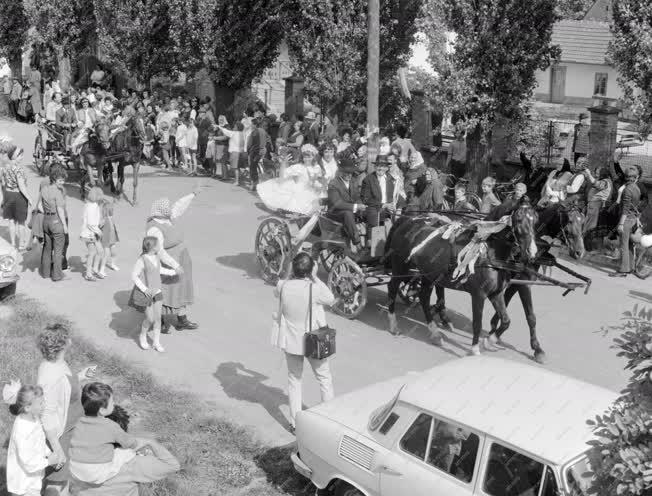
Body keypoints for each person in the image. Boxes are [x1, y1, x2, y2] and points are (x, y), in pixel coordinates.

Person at [273, 253, 335, 432]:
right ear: (310, 269)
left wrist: (288, 274)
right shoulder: (313, 288)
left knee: (294, 380)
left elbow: (278, 287)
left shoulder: (283, 286)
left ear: (293, 268)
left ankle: (294, 422)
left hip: (291, 342)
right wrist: (315, 277)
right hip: (314, 340)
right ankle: (329, 417)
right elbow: (330, 299)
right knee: (324, 378)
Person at [37, 323, 97, 496]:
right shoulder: (50, 375)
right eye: (68, 337)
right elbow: (46, 415)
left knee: (65, 477)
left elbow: (64, 389)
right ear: (64, 343)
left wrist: (80, 376)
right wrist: (57, 449)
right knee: (57, 481)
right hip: (61, 435)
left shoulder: (57, 362)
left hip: (71, 428)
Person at [146, 190, 201, 332]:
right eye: (167, 209)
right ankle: (163, 322)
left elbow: (179, 206)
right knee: (166, 291)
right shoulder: (154, 228)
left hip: (182, 257)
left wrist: (193, 194)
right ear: (160, 211)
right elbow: (159, 251)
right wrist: (174, 265)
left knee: (182, 289)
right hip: (168, 262)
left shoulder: (166, 217)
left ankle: (182, 320)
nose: (170, 211)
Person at [69, 383, 141, 485]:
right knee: (127, 452)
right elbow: (130, 443)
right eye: (112, 402)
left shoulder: (77, 420)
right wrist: (135, 444)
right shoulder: (111, 426)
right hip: (96, 474)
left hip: (74, 469)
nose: (114, 403)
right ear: (102, 410)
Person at [129, 236, 182, 351]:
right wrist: (144, 289)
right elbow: (134, 275)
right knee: (150, 319)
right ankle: (142, 336)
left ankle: (156, 342)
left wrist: (173, 272)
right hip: (147, 294)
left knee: (158, 318)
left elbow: (159, 270)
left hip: (157, 291)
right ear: (152, 247)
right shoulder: (142, 259)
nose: (160, 246)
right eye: (158, 245)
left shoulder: (157, 257)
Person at [4, 383, 57, 496]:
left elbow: (40, 440)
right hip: (24, 481)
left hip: (33, 475)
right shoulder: (22, 431)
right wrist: (48, 461)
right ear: (28, 407)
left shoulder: (34, 418)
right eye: (41, 403)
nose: (44, 405)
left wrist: (48, 453)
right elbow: (28, 463)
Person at [327, 154, 366, 253]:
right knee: (347, 213)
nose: (349, 175)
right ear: (340, 172)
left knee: (371, 211)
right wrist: (356, 206)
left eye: (351, 173)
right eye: (346, 173)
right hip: (335, 213)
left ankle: (371, 244)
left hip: (349, 211)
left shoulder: (353, 181)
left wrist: (361, 207)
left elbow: (357, 197)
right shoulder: (333, 183)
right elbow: (337, 204)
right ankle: (357, 244)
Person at [38, 166, 69, 281]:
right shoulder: (58, 192)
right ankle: (57, 275)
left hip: (46, 220)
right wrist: (65, 226)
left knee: (47, 248)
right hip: (56, 220)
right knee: (58, 250)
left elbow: (40, 207)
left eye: (63, 180)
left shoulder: (44, 189)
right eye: (60, 180)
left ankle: (45, 273)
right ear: (54, 179)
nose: (63, 182)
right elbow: (60, 210)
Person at [610, 167, 641, 278]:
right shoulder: (636, 188)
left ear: (626, 177)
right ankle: (630, 267)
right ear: (636, 177)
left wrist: (621, 224)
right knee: (629, 244)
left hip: (626, 220)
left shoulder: (627, 189)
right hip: (633, 219)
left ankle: (623, 270)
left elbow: (625, 208)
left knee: (623, 245)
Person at [361, 157, 395, 228]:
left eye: (383, 166)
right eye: (378, 166)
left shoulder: (390, 178)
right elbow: (366, 199)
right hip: (373, 208)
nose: (380, 168)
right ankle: (371, 237)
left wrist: (394, 205)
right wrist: (383, 205)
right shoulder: (368, 179)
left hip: (388, 208)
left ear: (387, 168)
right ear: (375, 167)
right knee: (375, 227)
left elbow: (394, 194)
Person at [80, 187, 104, 282]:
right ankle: (88, 274)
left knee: (100, 251)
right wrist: (98, 231)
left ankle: (94, 269)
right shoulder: (92, 206)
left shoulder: (91, 204)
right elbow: (90, 223)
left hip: (93, 232)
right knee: (92, 253)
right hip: (90, 234)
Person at [583, 166, 613, 234]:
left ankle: (585, 240)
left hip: (596, 206)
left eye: (598, 173)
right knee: (590, 225)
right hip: (596, 206)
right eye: (595, 173)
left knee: (590, 226)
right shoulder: (606, 181)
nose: (596, 175)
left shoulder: (605, 182)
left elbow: (597, 184)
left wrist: (589, 173)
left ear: (603, 174)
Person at [99, 196, 120, 275]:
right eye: (111, 209)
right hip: (106, 239)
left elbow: (113, 228)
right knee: (106, 254)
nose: (112, 210)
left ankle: (113, 264)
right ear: (107, 210)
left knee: (114, 253)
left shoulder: (111, 217)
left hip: (112, 238)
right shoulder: (104, 219)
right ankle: (102, 269)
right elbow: (99, 226)